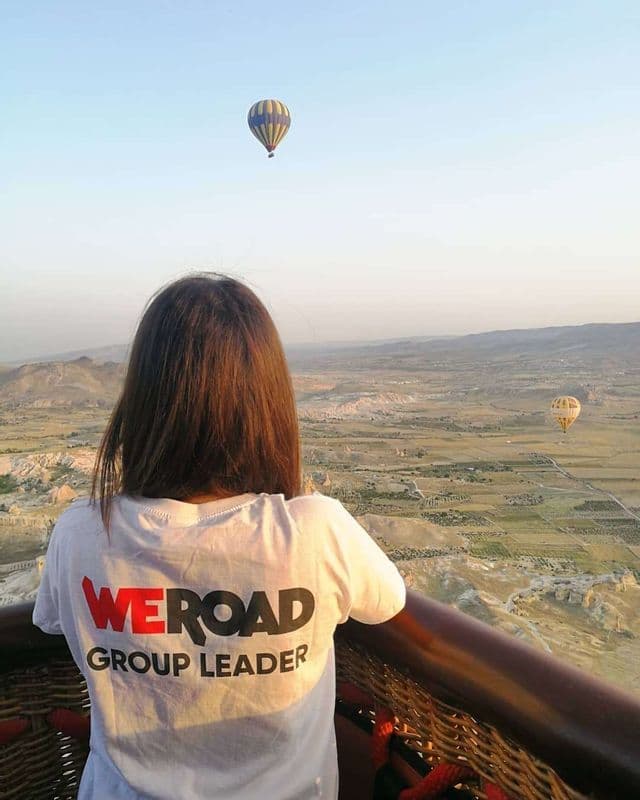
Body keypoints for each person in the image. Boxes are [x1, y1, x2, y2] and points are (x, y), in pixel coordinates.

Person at [33, 274, 406, 800]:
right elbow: (387, 601)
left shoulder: (82, 532)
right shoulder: (315, 532)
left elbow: (49, 620)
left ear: (141, 403)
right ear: (268, 404)